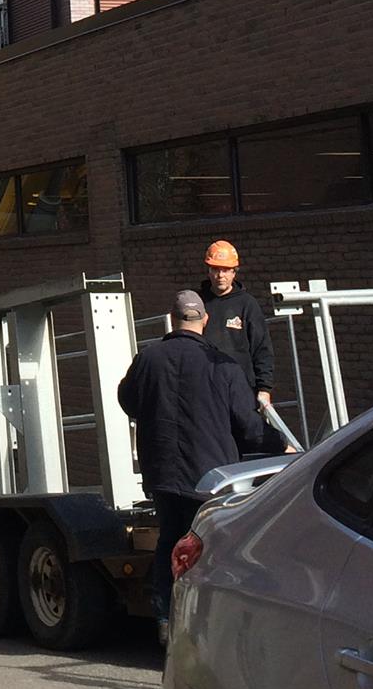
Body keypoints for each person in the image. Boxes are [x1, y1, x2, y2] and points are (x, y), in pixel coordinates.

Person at [118, 290, 268, 624]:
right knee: (209, 544)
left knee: (170, 538)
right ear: (205, 320)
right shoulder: (224, 366)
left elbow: (128, 401)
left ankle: (167, 618)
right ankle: (206, 620)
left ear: (172, 318)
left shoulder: (148, 359)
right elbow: (248, 426)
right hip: (211, 477)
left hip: (164, 472)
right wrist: (277, 445)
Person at [199, 239, 276, 412]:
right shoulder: (199, 303)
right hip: (205, 389)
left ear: (234, 272)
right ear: (208, 271)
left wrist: (264, 389)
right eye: (216, 270)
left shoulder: (247, 304)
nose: (220, 275)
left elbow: (262, 348)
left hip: (241, 390)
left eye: (226, 270)